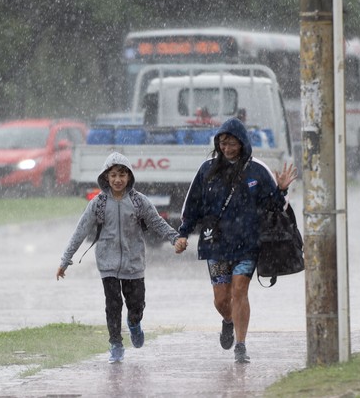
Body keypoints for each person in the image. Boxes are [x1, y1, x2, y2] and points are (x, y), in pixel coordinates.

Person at [173, 117, 297, 363]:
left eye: (231, 143)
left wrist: (281, 190)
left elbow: (275, 206)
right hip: (215, 244)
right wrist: (183, 233)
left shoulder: (257, 169)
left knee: (240, 289)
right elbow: (192, 204)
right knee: (221, 299)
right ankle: (227, 321)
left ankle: (241, 345)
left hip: (247, 244)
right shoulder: (206, 169)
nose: (227, 148)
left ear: (242, 143)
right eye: (222, 143)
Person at [56, 152, 181, 363]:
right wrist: (65, 260)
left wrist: (174, 238)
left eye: (122, 175)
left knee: (136, 305)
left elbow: (157, 222)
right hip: (108, 264)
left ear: (129, 177)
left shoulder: (139, 201)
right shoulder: (98, 203)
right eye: (113, 175)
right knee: (112, 306)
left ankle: (134, 324)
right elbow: (80, 231)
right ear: (106, 177)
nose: (117, 179)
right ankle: (115, 343)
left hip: (134, 264)